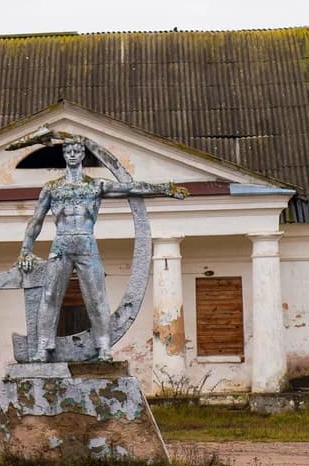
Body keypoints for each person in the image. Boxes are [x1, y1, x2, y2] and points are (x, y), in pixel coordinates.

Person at [17, 138, 187, 362]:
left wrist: (164, 188)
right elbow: (36, 220)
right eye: (68, 151)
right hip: (61, 244)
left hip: (86, 243)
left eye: (77, 150)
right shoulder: (52, 188)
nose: (72, 154)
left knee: (97, 298)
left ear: (83, 155)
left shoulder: (94, 186)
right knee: (49, 297)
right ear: (63, 155)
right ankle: (43, 347)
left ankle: (103, 347)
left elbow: (131, 188)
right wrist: (25, 249)